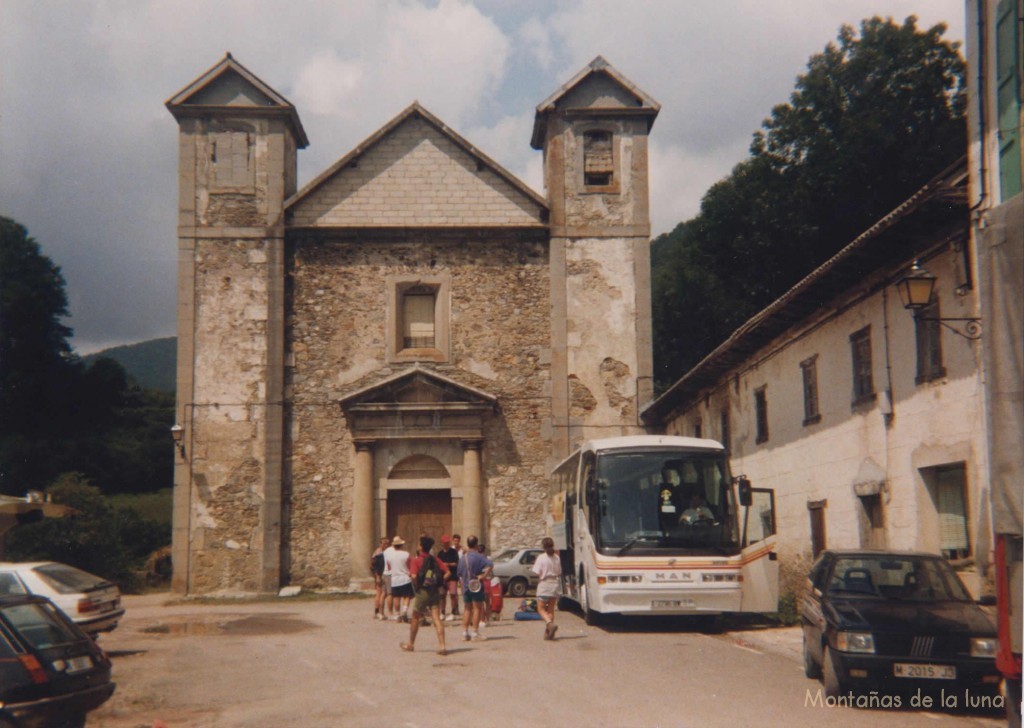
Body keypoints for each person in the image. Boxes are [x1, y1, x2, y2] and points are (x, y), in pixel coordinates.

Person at [400, 535, 448, 655]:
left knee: (415, 618)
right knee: (436, 618)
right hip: (434, 591)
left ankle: (411, 644)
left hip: (422, 592)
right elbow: (447, 572)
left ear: (421, 547)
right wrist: (439, 583)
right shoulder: (435, 559)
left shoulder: (416, 561)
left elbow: (414, 576)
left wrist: (417, 584)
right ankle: (442, 646)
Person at [457, 535, 492, 641]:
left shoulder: (463, 557)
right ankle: (475, 632)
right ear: (476, 544)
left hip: (466, 585)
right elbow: (490, 564)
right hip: (476, 584)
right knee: (477, 608)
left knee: (467, 609)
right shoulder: (479, 556)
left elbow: (459, 573)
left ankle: (465, 632)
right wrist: (484, 575)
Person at [532, 537, 562, 640]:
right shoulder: (557, 558)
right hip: (554, 583)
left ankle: (549, 624)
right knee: (550, 609)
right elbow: (559, 572)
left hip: (544, 583)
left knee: (540, 608)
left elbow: (536, 572)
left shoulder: (541, 557)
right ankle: (549, 632)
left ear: (543, 546)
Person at [386, 536, 413, 621]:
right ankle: (404, 611)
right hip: (405, 577)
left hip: (394, 579)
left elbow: (389, 567)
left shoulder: (389, 556)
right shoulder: (406, 554)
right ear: (401, 545)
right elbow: (410, 565)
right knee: (407, 596)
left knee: (396, 597)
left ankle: (397, 614)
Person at [437, 534, 461, 621]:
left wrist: (448, 564)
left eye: (447, 542)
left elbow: (457, 563)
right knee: (442, 595)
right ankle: (442, 612)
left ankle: (453, 612)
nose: (446, 544)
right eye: (444, 542)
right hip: (443, 576)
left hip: (453, 576)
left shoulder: (454, 552)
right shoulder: (440, 553)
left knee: (453, 594)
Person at [371, 537, 389, 620]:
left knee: (380, 593)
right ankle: (378, 612)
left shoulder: (383, 553)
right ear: (380, 544)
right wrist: (377, 576)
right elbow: (374, 566)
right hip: (380, 575)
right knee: (380, 593)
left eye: (387, 543)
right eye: (384, 543)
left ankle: (377, 612)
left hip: (381, 574)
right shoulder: (378, 554)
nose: (386, 545)